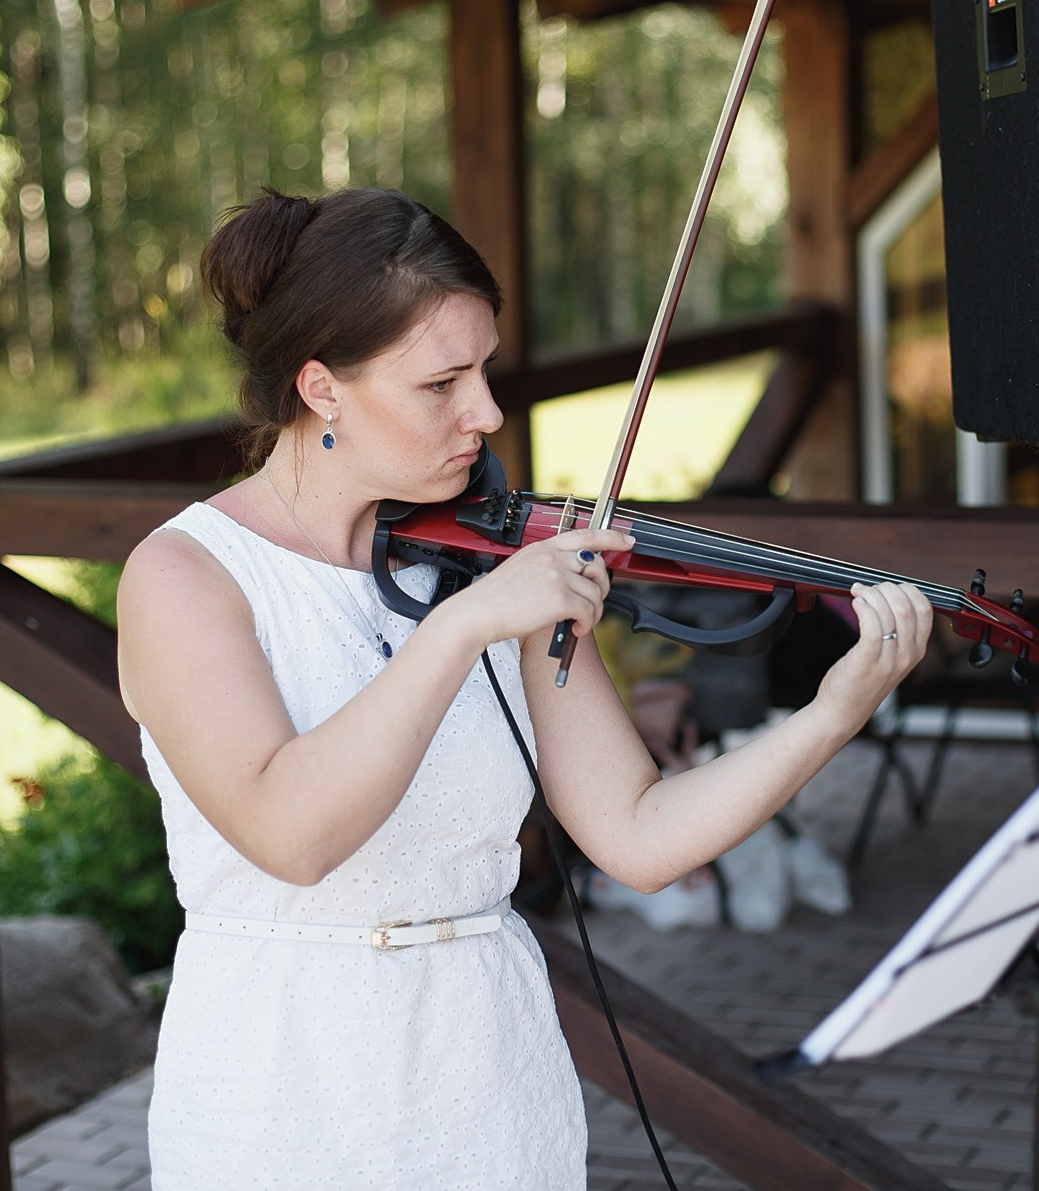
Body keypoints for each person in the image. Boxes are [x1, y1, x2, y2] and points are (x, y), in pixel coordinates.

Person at [116, 186, 933, 1188]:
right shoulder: (188, 578)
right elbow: (291, 833)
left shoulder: (482, 558)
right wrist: (462, 626)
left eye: (485, 368)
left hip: (481, 1076)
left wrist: (830, 715)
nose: (487, 412)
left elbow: (637, 832)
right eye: (440, 383)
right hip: (282, 1082)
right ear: (320, 386)